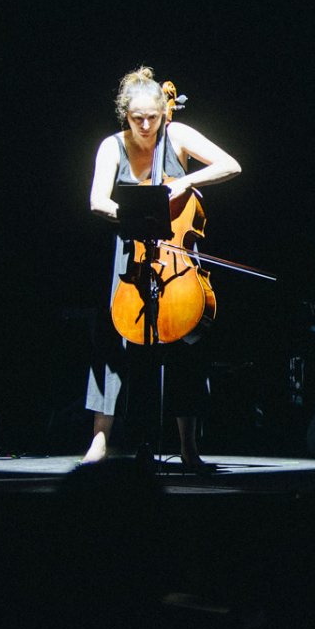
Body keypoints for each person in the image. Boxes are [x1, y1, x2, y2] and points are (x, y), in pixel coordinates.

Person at [83, 66, 241, 469]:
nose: (146, 126)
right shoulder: (111, 146)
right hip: (130, 255)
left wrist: (185, 182)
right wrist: (134, 213)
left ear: (163, 112)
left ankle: (188, 447)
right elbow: (97, 200)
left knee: (187, 342)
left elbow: (231, 165)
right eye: (138, 118)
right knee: (113, 343)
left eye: (153, 117)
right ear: (126, 114)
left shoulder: (178, 135)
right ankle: (100, 441)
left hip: (175, 261)